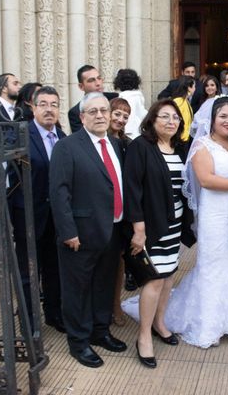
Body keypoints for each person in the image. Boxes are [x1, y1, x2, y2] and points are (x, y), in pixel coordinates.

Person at [165, 97, 228, 348]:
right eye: (223, 116)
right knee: (214, 265)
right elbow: (206, 180)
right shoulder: (202, 145)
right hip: (217, 215)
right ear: (211, 119)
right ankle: (209, 324)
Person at [49, 92, 127, 368]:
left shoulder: (115, 145)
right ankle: (79, 341)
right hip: (80, 234)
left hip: (112, 229)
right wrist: (68, 231)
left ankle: (99, 330)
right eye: (92, 111)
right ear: (82, 117)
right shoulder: (67, 147)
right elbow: (59, 193)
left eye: (104, 110)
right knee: (78, 289)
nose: (99, 115)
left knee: (104, 285)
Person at [124, 99, 195, 367]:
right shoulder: (141, 147)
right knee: (153, 279)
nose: (170, 122)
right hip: (151, 226)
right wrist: (138, 228)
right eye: (164, 116)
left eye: (175, 118)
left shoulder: (178, 147)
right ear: (152, 120)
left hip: (173, 224)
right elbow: (132, 189)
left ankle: (159, 323)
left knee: (167, 278)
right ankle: (143, 336)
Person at [11, 86, 65, 332]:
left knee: (54, 268)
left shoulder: (63, 138)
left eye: (54, 104)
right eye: (43, 104)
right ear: (33, 107)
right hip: (29, 217)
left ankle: (54, 314)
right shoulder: (20, 136)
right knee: (28, 272)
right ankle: (29, 320)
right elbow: (11, 181)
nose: (49, 109)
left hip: (57, 218)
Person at [107, 97, 132, 327]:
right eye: (117, 113)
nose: (121, 119)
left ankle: (115, 306)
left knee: (118, 264)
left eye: (125, 116)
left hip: (122, 212)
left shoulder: (127, 144)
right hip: (100, 214)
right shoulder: (97, 141)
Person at [68, 65, 117, 133]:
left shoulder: (115, 99)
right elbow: (81, 139)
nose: (98, 83)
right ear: (81, 86)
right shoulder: (75, 112)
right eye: (91, 80)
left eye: (99, 78)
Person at [113, 68, 147, 140]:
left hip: (130, 134)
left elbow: (130, 117)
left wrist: (125, 134)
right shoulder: (137, 96)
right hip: (138, 131)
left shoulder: (127, 97)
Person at [172, 76, 196, 143]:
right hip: (180, 139)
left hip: (184, 138)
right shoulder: (179, 101)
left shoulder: (185, 101)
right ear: (189, 87)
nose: (195, 89)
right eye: (194, 86)